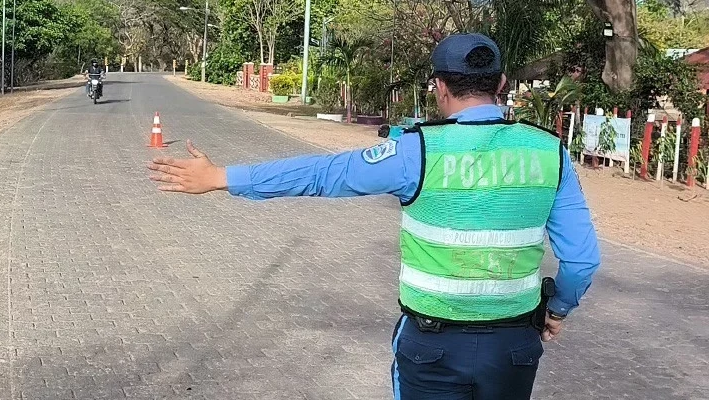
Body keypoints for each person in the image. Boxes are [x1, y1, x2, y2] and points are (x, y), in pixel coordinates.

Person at [147, 33, 600, 400]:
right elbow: (581, 261)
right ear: (501, 84)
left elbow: (324, 173)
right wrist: (556, 309)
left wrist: (223, 176)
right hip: (513, 348)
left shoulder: (417, 149)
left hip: (432, 347)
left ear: (439, 87)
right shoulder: (549, 151)